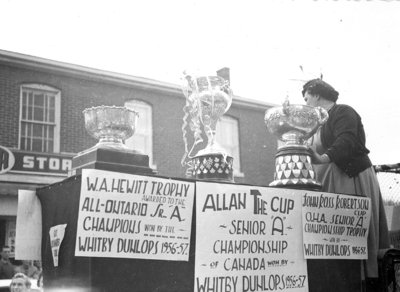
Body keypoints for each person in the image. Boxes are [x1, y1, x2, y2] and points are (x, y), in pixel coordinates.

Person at [302, 78, 390, 291]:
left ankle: (361, 280)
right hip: (327, 183)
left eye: (306, 98)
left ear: (316, 94)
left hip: (350, 178)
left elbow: (347, 140)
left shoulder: (343, 112)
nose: (305, 104)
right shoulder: (316, 123)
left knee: (351, 236)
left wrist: (322, 158)